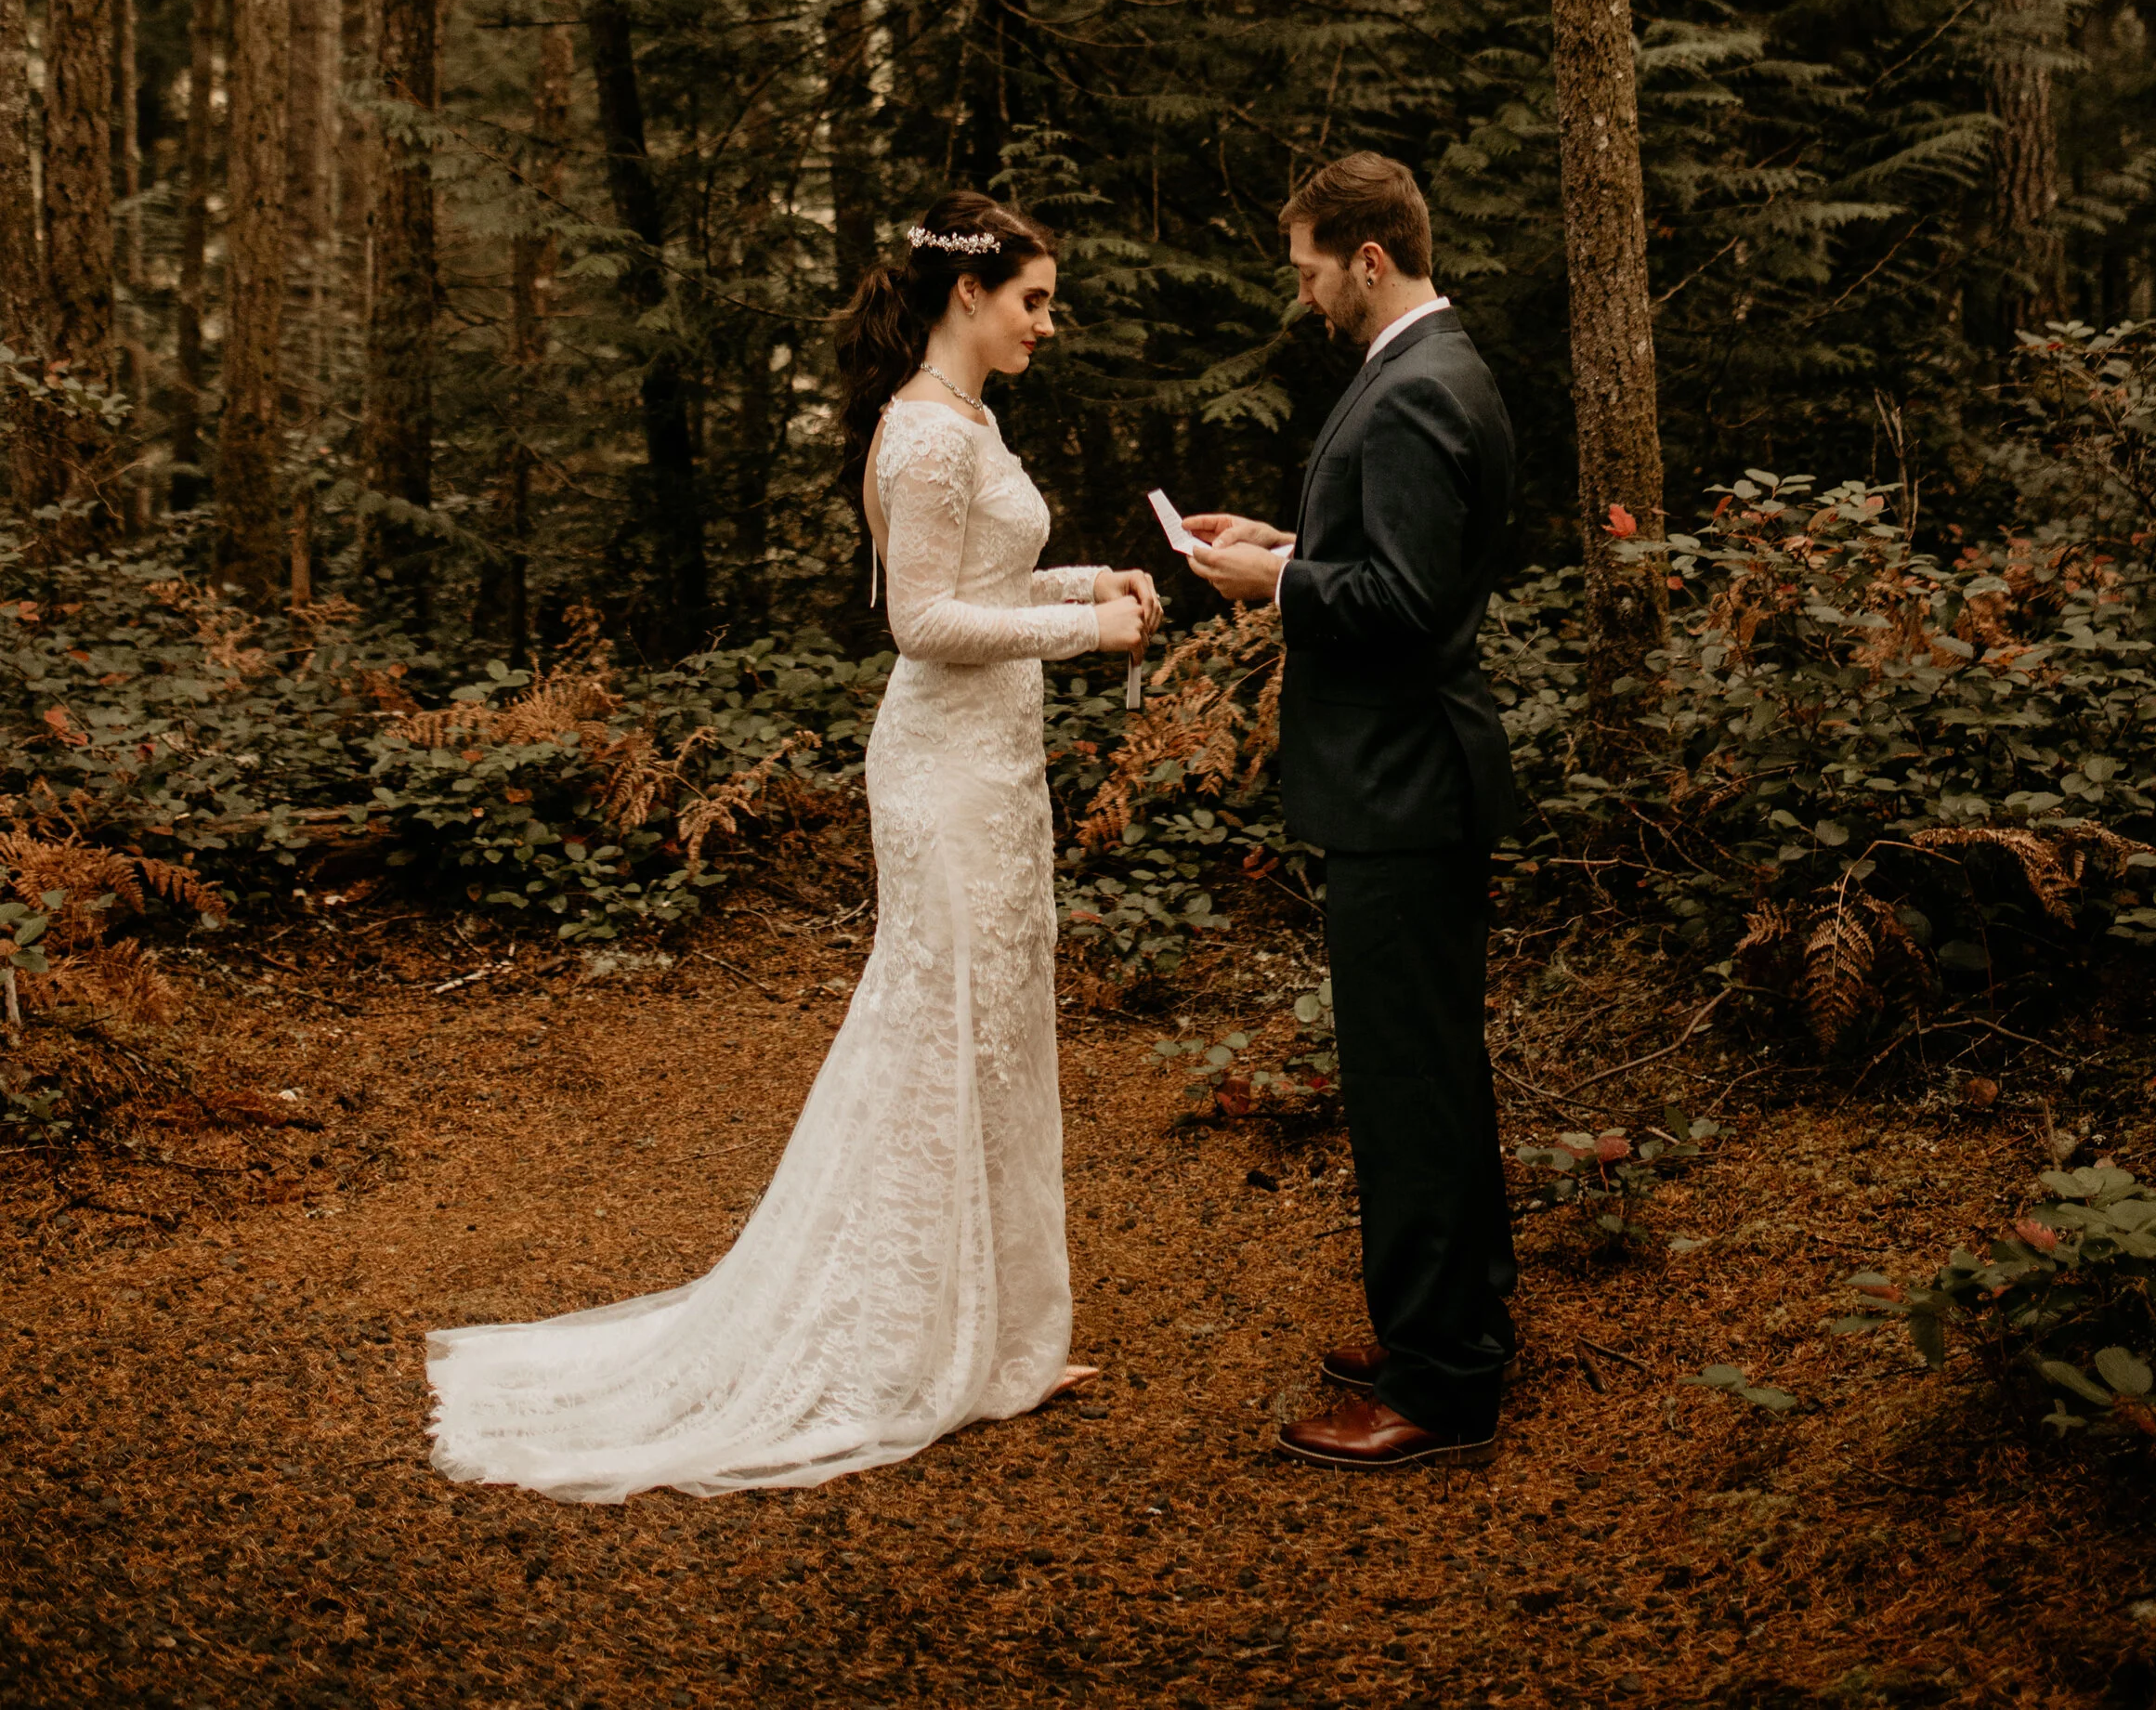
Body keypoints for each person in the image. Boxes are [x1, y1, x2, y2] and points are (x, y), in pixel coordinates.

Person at [425, 190, 1160, 1499]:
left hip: (995, 766)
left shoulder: (968, 419)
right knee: (933, 1032)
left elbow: (982, 588)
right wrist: (1085, 635)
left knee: (991, 1033)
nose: (1051, 321)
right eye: (1035, 298)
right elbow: (921, 622)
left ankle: (992, 1341)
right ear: (967, 297)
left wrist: (1087, 580)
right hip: (940, 769)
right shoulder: (925, 438)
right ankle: (894, 1349)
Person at [1183, 150, 1518, 1469]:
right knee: (1430, 1068)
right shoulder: (1426, 372)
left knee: (1408, 1082)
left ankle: (1439, 1384)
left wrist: (1280, 591)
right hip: (1406, 779)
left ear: (1369, 259)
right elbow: (1389, 557)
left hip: (1405, 783)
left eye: (1313, 269)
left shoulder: (1420, 388)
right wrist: (1284, 545)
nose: (1308, 295)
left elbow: (1410, 602)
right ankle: (1455, 1325)